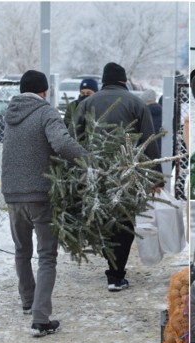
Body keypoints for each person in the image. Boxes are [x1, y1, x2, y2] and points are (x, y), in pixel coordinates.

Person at [1, 69, 87, 336]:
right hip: (40, 193)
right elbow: (61, 144)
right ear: (44, 91)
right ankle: (40, 318)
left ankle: (28, 301)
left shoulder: (11, 115)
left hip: (12, 194)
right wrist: (88, 160)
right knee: (47, 256)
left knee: (21, 250)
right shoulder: (46, 112)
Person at [75, 62, 162, 292]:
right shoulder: (137, 103)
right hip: (127, 174)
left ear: (104, 80)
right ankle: (116, 273)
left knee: (102, 217)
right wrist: (156, 178)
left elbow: (76, 139)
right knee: (124, 221)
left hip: (96, 172)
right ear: (124, 80)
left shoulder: (87, 103)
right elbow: (149, 141)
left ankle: (109, 258)